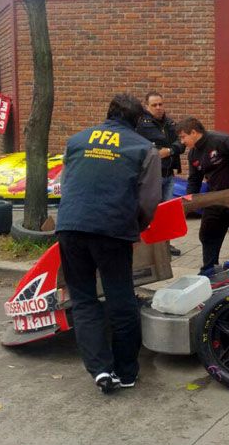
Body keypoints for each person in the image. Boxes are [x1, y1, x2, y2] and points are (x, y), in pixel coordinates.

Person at [56, 93, 161, 394]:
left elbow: (68, 184)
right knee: (121, 300)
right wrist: (134, 226)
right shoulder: (144, 149)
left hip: (70, 227)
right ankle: (126, 372)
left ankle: (100, 370)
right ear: (137, 120)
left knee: (84, 300)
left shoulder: (76, 141)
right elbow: (149, 200)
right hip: (112, 231)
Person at [176, 117, 229, 276]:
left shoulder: (222, 141)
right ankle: (209, 270)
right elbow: (194, 180)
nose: (182, 141)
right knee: (207, 233)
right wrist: (187, 203)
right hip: (215, 199)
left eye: (183, 137)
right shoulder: (194, 154)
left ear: (193, 132)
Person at [135, 91, 185, 256]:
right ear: (147, 106)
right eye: (154, 105)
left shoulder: (170, 123)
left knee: (167, 212)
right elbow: (143, 147)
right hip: (152, 176)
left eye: (160, 104)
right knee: (149, 212)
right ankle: (148, 244)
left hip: (169, 175)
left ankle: (165, 245)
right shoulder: (141, 124)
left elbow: (181, 142)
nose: (158, 108)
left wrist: (170, 150)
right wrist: (160, 149)